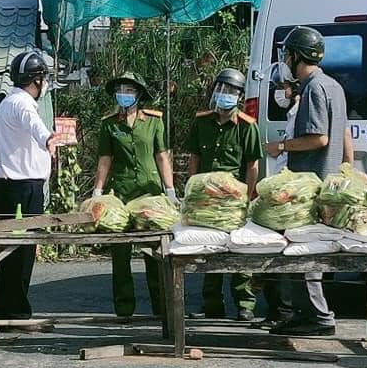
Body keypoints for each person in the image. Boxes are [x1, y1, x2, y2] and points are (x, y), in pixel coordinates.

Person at [263, 26, 347, 336]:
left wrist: (281, 147)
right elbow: (344, 134)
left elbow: (320, 138)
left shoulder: (313, 89)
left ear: (297, 55)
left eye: (287, 54)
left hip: (309, 186)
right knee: (299, 250)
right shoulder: (333, 86)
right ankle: (302, 313)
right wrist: (346, 169)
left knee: (306, 252)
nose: (285, 59)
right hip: (325, 181)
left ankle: (319, 317)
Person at [91, 72, 173, 320]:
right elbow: (105, 160)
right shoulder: (109, 124)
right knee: (121, 252)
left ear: (138, 95)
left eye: (129, 90)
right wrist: (98, 191)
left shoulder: (154, 122)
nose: (124, 94)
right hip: (123, 195)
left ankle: (162, 308)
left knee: (156, 253)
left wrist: (170, 189)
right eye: (120, 90)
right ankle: (124, 309)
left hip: (150, 192)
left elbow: (162, 156)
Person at [187, 67, 261, 321]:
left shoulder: (247, 127)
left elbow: (252, 165)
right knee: (210, 250)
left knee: (240, 250)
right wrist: (192, 191)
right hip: (207, 198)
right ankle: (211, 305)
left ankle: (245, 305)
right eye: (221, 89)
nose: (224, 95)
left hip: (234, 200)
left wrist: (248, 198)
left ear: (239, 96)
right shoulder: (201, 122)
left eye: (231, 91)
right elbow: (194, 158)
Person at [0, 50, 55, 325]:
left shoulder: (6, 102)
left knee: (12, 252)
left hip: (13, 189)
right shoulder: (23, 104)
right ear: (37, 80)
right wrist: (48, 140)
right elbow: (36, 126)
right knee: (20, 251)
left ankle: (10, 312)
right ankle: (16, 314)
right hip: (22, 190)